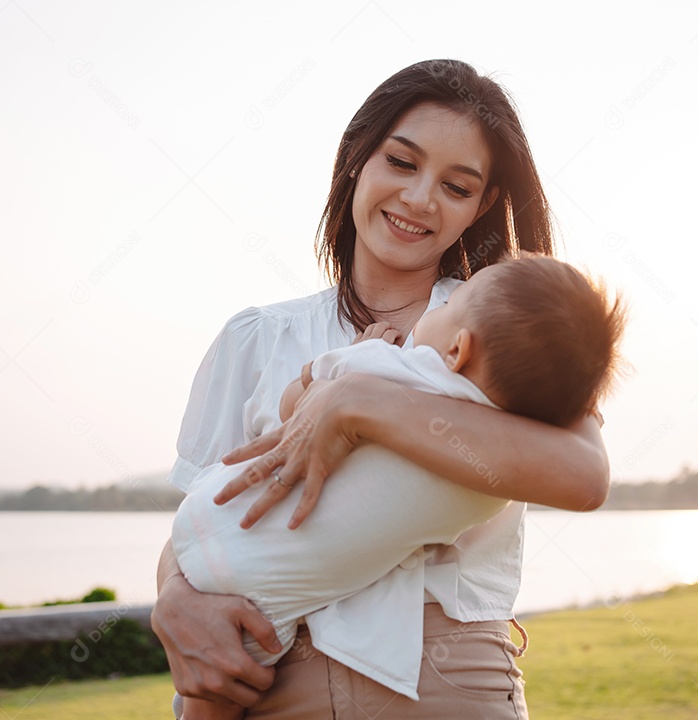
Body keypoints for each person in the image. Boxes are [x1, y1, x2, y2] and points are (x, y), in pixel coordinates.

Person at [152, 59, 613, 720]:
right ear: (356, 161)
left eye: (457, 187)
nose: (421, 199)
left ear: (480, 206)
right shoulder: (256, 339)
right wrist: (173, 598)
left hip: (447, 689)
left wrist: (357, 403)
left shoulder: (515, 332)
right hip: (269, 686)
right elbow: (209, 509)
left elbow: (582, 475)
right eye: (401, 163)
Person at [172, 256, 625, 720]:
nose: (421, 200)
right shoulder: (511, 430)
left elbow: (292, 407)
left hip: (251, 569)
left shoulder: (390, 360)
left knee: (222, 687)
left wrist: (345, 387)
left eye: (459, 187)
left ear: (457, 350)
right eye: (405, 174)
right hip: (273, 618)